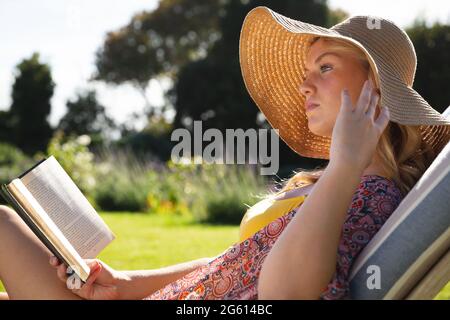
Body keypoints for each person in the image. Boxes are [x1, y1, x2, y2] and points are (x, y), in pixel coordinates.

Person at [0, 6, 449, 300]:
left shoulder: (368, 198)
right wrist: (124, 283)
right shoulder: (339, 187)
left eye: (325, 67)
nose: (304, 84)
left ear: (376, 92)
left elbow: (282, 296)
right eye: (308, 69)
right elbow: (236, 265)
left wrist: (346, 164)